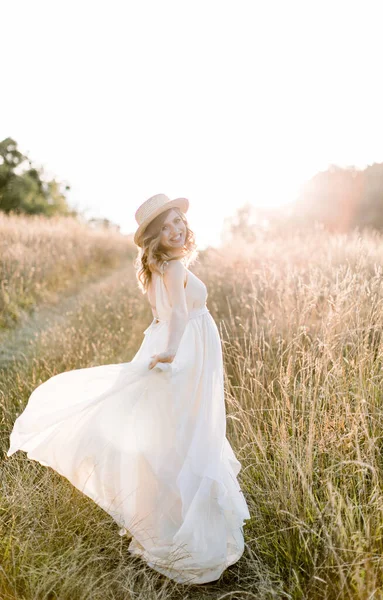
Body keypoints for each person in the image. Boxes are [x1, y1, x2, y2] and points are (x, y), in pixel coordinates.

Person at [6, 193, 251, 585]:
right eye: (166, 226)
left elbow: (166, 314)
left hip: (179, 348)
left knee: (172, 436)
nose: (176, 229)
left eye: (178, 222)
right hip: (184, 351)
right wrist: (171, 351)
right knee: (189, 436)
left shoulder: (158, 267)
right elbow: (180, 316)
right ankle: (182, 530)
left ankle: (166, 519)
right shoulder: (170, 268)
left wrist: (167, 346)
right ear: (154, 235)